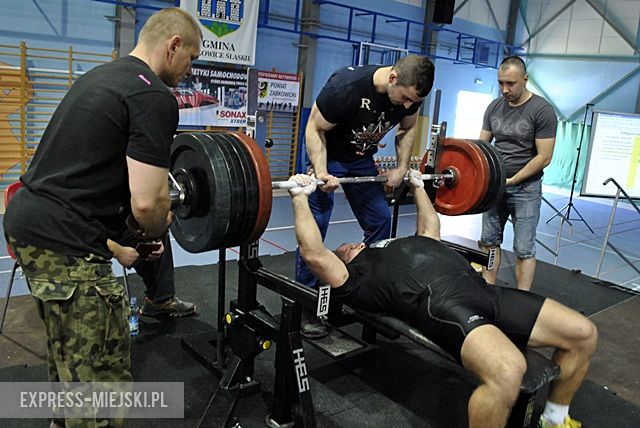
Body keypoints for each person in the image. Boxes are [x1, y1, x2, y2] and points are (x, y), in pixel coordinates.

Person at [3, 7, 202, 427]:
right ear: (173, 46)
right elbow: (148, 203)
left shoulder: (103, 76)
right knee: (102, 373)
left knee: (70, 356)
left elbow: (80, 186)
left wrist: (119, 241)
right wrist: (157, 226)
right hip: (64, 239)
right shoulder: (152, 96)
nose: (189, 70)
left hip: (34, 226)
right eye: (191, 59)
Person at [288, 171, 597, 428]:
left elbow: (430, 228)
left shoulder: (397, 241)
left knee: (583, 333)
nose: (352, 244)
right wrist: (300, 197)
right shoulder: (353, 278)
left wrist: (419, 187)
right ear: (344, 261)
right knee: (507, 371)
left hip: (486, 293)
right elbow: (314, 253)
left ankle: (555, 420)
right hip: (445, 304)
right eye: (345, 248)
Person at [296, 54, 435, 338]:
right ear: (393, 78)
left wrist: (400, 167)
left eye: (414, 101)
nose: (408, 105)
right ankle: (306, 304)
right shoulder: (347, 86)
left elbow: (408, 127)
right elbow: (315, 127)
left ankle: (369, 288)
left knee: (381, 220)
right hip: (327, 153)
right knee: (316, 228)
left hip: (360, 159)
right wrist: (321, 171)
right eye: (406, 98)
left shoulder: (412, 94)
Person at [479, 56, 557, 291]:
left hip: (526, 189)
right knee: (489, 242)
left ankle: (523, 302)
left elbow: (544, 157)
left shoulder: (542, 110)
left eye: (510, 83)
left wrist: (513, 180)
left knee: (523, 248)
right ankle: (487, 291)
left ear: (525, 79)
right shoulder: (494, 106)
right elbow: (482, 145)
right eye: (501, 83)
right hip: (495, 186)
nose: (504, 89)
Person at [107, 232, 195, 318]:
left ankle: (159, 299)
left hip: (115, 228)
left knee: (159, 231)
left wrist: (155, 234)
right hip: (100, 239)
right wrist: (119, 252)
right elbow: (94, 236)